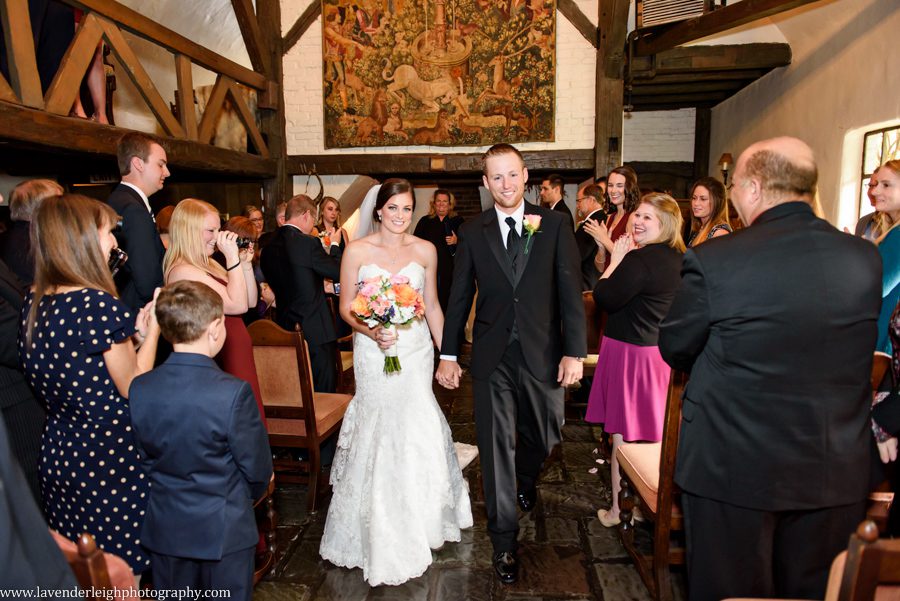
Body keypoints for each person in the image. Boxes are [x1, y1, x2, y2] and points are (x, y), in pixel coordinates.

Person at [658, 137, 882, 600]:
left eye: (735, 185)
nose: (734, 194)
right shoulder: (863, 257)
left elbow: (677, 346)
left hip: (732, 464)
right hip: (831, 465)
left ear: (755, 189)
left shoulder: (717, 259)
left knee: (731, 590)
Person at [436, 144, 585, 584]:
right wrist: (448, 354)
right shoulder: (472, 231)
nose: (505, 184)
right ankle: (504, 541)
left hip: (542, 350)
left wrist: (574, 351)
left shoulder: (555, 224)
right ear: (486, 183)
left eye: (512, 175)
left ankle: (526, 475)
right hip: (491, 355)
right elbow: (459, 295)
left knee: (546, 431)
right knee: (496, 445)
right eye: (495, 177)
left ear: (526, 176)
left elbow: (570, 292)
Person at [319, 179, 471, 586]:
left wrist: (448, 355)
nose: (401, 216)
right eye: (394, 208)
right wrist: (370, 332)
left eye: (407, 209)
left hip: (415, 350)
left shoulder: (425, 250)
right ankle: (379, 520)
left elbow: (434, 305)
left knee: (416, 420)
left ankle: (423, 514)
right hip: (374, 350)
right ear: (379, 210)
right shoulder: (357, 251)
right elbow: (347, 307)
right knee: (379, 425)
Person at [19, 193, 161, 576]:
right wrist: (153, 335)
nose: (115, 242)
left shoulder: (35, 301)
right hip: (110, 458)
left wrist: (132, 333)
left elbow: (83, 367)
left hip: (61, 453)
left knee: (85, 573)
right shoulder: (97, 304)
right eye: (108, 233)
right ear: (80, 239)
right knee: (121, 573)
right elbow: (134, 387)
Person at [130, 280, 272, 601]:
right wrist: (235, 500)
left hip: (166, 529)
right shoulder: (233, 392)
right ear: (216, 327)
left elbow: (143, 458)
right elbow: (258, 469)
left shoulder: (139, 387)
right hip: (225, 531)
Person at [584, 193, 684, 527]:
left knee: (622, 436)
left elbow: (605, 296)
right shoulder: (680, 258)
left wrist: (617, 259)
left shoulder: (639, 260)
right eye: (637, 215)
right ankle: (647, 500)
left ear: (665, 225)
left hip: (629, 354)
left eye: (647, 218)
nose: (638, 222)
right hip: (660, 354)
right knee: (653, 433)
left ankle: (617, 510)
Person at [163, 199, 266, 422]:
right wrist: (231, 259)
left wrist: (244, 264)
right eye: (211, 230)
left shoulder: (208, 263)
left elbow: (248, 302)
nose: (218, 236)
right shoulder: (183, 270)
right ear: (189, 232)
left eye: (218, 229)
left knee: (248, 419)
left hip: (235, 346)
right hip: (220, 355)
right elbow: (236, 304)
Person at [260, 194, 343, 392]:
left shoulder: (268, 247)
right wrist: (334, 246)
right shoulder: (307, 243)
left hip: (285, 327)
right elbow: (338, 271)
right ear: (306, 215)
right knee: (324, 392)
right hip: (316, 330)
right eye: (313, 220)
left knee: (297, 391)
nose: (313, 226)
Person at [106, 132, 169, 311]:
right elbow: (148, 282)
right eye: (161, 165)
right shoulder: (133, 210)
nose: (167, 172)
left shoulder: (118, 199)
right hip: (138, 313)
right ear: (138, 164)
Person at [0, 178, 62, 286]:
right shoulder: (35, 242)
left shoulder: (15, 236)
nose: (66, 208)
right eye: (59, 202)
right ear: (41, 207)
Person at [413, 188, 465, 310]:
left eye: (445, 201)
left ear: (450, 204)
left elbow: (470, 245)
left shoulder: (458, 221)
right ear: (434, 203)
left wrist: (457, 241)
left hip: (451, 269)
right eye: (438, 201)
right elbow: (415, 244)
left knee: (449, 300)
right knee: (430, 299)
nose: (441, 204)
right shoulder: (425, 221)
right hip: (429, 269)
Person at [582, 166, 639, 273]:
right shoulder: (610, 218)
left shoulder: (633, 217)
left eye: (619, 186)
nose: (613, 190)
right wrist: (601, 246)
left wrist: (604, 239)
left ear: (629, 188)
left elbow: (630, 263)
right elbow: (600, 268)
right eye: (610, 185)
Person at [873, 160, 900, 354]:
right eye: (875, 185)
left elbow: (876, 287)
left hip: (886, 343)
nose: (875, 192)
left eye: (886, 185)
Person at [573, 183, 607, 291]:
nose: (577, 205)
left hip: (587, 281)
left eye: (579, 200)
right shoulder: (601, 218)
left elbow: (580, 253)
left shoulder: (593, 221)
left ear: (591, 200)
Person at [686, 177, 731, 247]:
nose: (696, 203)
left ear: (717, 202)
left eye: (703, 199)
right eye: (694, 198)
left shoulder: (720, 232)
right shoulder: (701, 227)